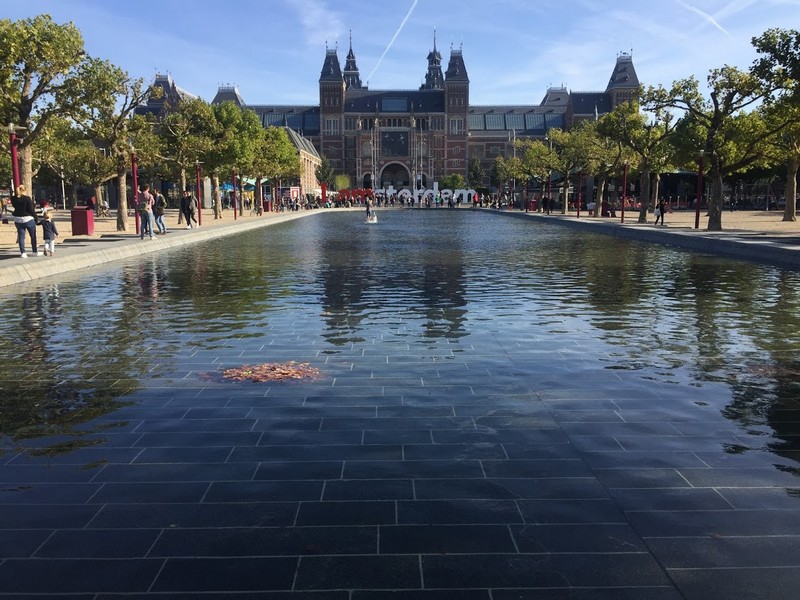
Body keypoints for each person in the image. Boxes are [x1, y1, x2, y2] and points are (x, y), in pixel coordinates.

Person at [11, 185, 41, 258]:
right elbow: (31, 209)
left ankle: (23, 252)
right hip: (28, 218)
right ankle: (34, 251)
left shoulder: (13, 198)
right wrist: (36, 217)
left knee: (21, 236)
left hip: (18, 219)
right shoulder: (27, 198)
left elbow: (14, 207)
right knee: (33, 235)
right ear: (24, 190)